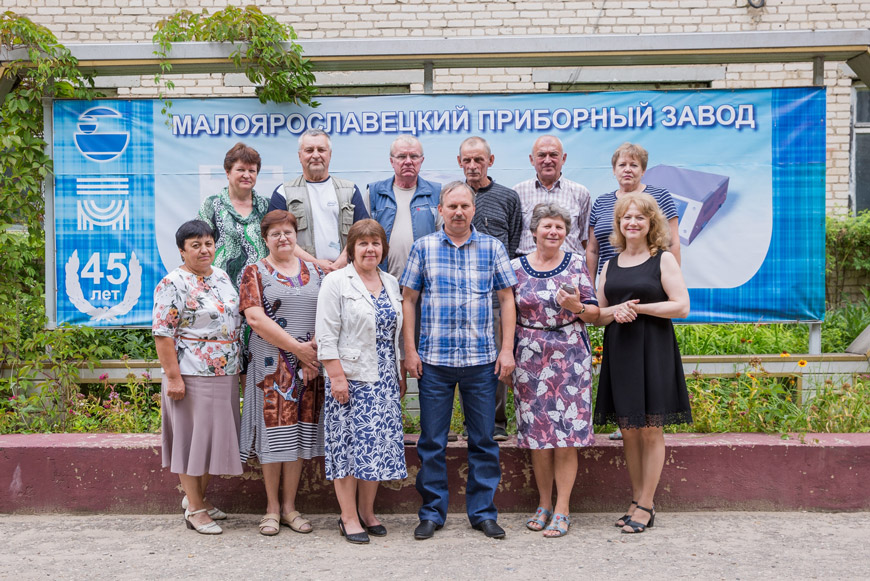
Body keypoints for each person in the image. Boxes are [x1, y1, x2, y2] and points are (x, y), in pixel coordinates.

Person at [400, 181, 518, 541]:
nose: (458, 212)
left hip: (481, 361)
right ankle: (432, 512)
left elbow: (507, 299)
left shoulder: (492, 247)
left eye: (465, 206)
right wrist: (410, 350)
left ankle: (483, 513)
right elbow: (409, 299)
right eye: (452, 206)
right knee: (431, 442)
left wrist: (507, 349)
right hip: (434, 361)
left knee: (483, 440)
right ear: (440, 210)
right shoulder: (424, 247)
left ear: (473, 210)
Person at [593, 193, 692, 534]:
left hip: (654, 349)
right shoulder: (610, 264)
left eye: (639, 217)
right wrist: (615, 311)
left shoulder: (663, 259)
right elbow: (599, 314)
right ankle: (636, 501)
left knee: (650, 430)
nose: (632, 223)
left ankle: (647, 504)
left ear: (651, 223)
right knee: (629, 430)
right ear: (618, 223)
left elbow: (681, 306)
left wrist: (638, 308)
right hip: (620, 350)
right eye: (626, 217)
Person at [316, 219, 407, 545]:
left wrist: (398, 374)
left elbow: (394, 334)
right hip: (350, 379)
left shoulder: (391, 282)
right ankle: (348, 516)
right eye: (363, 243)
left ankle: (367, 512)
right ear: (351, 249)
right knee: (349, 449)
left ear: (383, 248)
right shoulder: (336, 281)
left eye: (376, 243)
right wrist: (336, 377)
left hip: (384, 378)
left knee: (377, 447)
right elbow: (326, 335)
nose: (370, 249)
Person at [511, 202, 600, 538]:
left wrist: (576, 306)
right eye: (547, 226)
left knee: (565, 435)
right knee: (538, 437)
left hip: (570, 357)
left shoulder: (576, 264)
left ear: (566, 233)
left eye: (559, 227)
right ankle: (544, 503)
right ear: (534, 231)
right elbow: (507, 312)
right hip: (528, 359)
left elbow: (594, 312)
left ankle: (563, 508)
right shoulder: (515, 267)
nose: (553, 232)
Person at [237, 210, 325, 536]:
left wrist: (312, 353)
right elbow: (255, 319)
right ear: (265, 239)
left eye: (287, 232)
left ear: (296, 235)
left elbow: (329, 314)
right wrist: (298, 350)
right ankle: (272, 508)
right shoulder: (254, 272)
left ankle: (290, 508)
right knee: (274, 436)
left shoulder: (317, 272)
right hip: (271, 367)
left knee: (298, 435)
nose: (282, 238)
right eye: (275, 234)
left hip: (310, 367)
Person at [152, 220, 242, 535]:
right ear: (182, 250)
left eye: (208, 243)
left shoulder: (222, 276)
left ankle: (197, 498)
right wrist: (173, 378)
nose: (204, 250)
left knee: (211, 441)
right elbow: (163, 334)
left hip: (225, 371)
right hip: (191, 373)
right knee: (192, 442)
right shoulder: (172, 283)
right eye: (195, 245)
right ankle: (195, 509)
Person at [458, 136, 523, 442]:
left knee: (498, 358)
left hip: (496, 296)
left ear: (490, 161)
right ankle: (468, 422)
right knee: (462, 361)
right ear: (460, 163)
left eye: (479, 160)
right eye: (467, 160)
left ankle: (497, 421)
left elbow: (514, 243)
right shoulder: (453, 195)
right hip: (460, 295)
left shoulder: (508, 197)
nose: (473, 166)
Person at [268, 128, 369, 272]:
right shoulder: (283, 192)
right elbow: (277, 237)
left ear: (330, 154)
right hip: (299, 275)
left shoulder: (350, 190)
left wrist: (341, 262)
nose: (316, 155)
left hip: (344, 272)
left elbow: (363, 232)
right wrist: (314, 264)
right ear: (300, 156)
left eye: (321, 150)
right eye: (309, 150)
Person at [586, 142, 681, 288]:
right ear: (614, 170)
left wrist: (674, 282)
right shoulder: (601, 202)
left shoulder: (660, 196)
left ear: (643, 170)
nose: (627, 170)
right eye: (622, 165)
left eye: (634, 165)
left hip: (649, 284)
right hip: (610, 285)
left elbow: (673, 243)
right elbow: (593, 250)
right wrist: (590, 287)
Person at [364, 135, 441, 279]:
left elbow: (444, 239)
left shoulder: (436, 193)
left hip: (424, 283)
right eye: (401, 156)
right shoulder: (374, 193)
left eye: (414, 156)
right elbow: (361, 237)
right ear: (391, 161)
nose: (408, 161)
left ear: (422, 160)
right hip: (381, 281)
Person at [197, 142, 269, 289]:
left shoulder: (267, 206)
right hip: (219, 288)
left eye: (252, 171)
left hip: (261, 288)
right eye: (240, 169)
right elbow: (198, 246)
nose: (247, 175)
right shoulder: (211, 204)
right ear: (227, 172)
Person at [514, 135, 591, 257]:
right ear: (532, 159)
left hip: (569, 265)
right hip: (526, 265)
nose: (547, 160)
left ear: (563, 158)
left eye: (553, 155)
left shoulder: (580, 193)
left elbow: (585, 239)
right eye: (541, 155)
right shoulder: (517, 192)